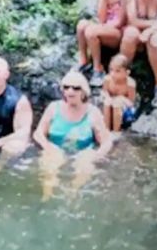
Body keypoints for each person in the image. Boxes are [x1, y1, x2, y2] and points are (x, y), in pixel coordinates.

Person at [33, 69, 112, 197]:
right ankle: (47, 196)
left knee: (85, 164)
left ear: (83, 92)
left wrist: (98, 155)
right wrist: (48, 147)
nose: (70, 91)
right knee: (50, 164)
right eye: (66, 87)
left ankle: (73, 195)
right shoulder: (54, 107)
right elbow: (38, 133)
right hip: (56, 148)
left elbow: (106, 141)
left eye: (76, 88)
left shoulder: (93, 112)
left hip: (83, 151)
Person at [76, 0, 128, 86]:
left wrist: (102, 27)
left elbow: (121, 21)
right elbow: (101, 18)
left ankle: (97, 68)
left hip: (118, 32)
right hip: (105, 27)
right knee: (82, 25)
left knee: (91, 31)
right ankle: (83, 61)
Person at [101, 55, 137, 133]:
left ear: (127, 73)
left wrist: (121, 99)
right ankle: (106, 130)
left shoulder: (130, 83)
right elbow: (104, 92)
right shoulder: (107, 79)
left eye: (117, 71)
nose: (113, 74)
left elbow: (131, 103)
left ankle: (116, 132)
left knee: (117, 104)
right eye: (111, 70)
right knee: (107, 102)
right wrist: (107, 97)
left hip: (125, 111)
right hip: (111, 106)